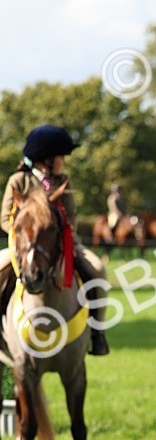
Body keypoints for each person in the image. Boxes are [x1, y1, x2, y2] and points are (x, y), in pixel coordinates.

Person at [0, 125, 109, 355]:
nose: (64, 162)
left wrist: (65, 242)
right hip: (22, 246)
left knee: (98, 269)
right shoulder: (18, 181)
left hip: (63, 245)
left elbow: (71, 218)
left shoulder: (63, 182)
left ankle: (97, 333)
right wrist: (23, 237)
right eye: (62, 157)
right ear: (46, 159)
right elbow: (4, 218)